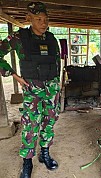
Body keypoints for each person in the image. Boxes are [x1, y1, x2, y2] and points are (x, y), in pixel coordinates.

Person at [0, 2, 61, 178]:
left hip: (51, 89)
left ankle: (44, 153)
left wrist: (57, 87)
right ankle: (27, 162)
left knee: (49, 122)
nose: (44, 23)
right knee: (30, 125)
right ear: (29, 19)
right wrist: (14, 75)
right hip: (32, 90)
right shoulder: (19, 38)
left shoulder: (51, 39)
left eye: (46, 19)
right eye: (39, 19)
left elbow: (56, 63)